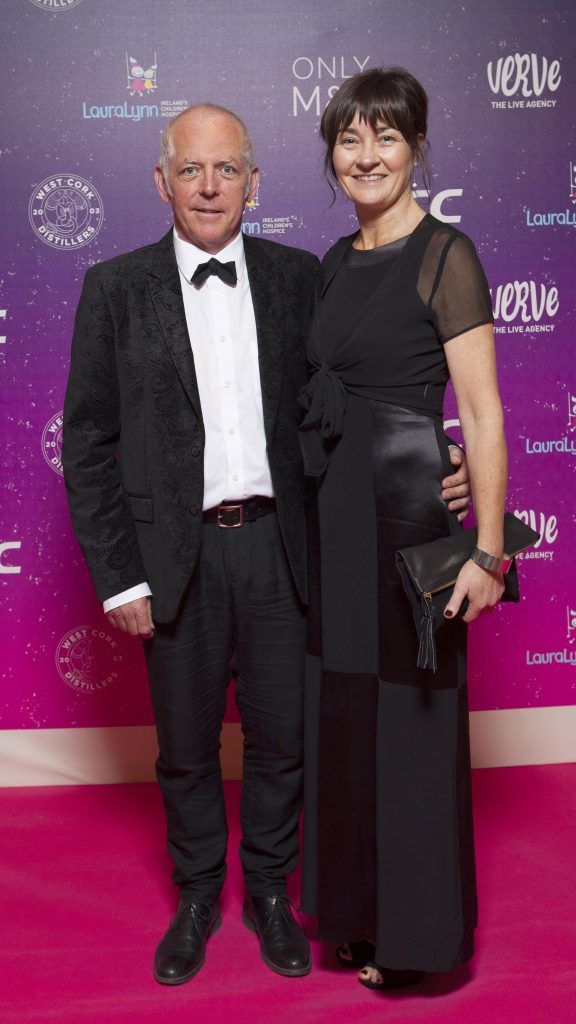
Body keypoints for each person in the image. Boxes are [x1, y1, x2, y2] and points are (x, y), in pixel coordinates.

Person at [62, 101, 471, 986]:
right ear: (161, 180)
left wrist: (441, 454)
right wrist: (117, 577)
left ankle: (273, 896)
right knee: (184, 746)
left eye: (228, 169)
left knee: (286, 739)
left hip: (287, 552)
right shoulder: (115, 288)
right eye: (191, 169)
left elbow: (362, 388)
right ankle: (200, 895)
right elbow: (88, 440)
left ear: (256, 181)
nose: (210, 187)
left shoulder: (299, 276)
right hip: (176, 558)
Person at [299, 67, 507, 992]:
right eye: (350, 140)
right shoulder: (336, 261)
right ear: (332, 157)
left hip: (410, 511)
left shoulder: (445, 255)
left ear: (416, 146)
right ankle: (352, 913)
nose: (368, 155)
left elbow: (484, 413)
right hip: (333, 516)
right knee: (343, 714)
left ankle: (416, 939)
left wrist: (489, 552)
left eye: (386, 137)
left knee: (412, 721)